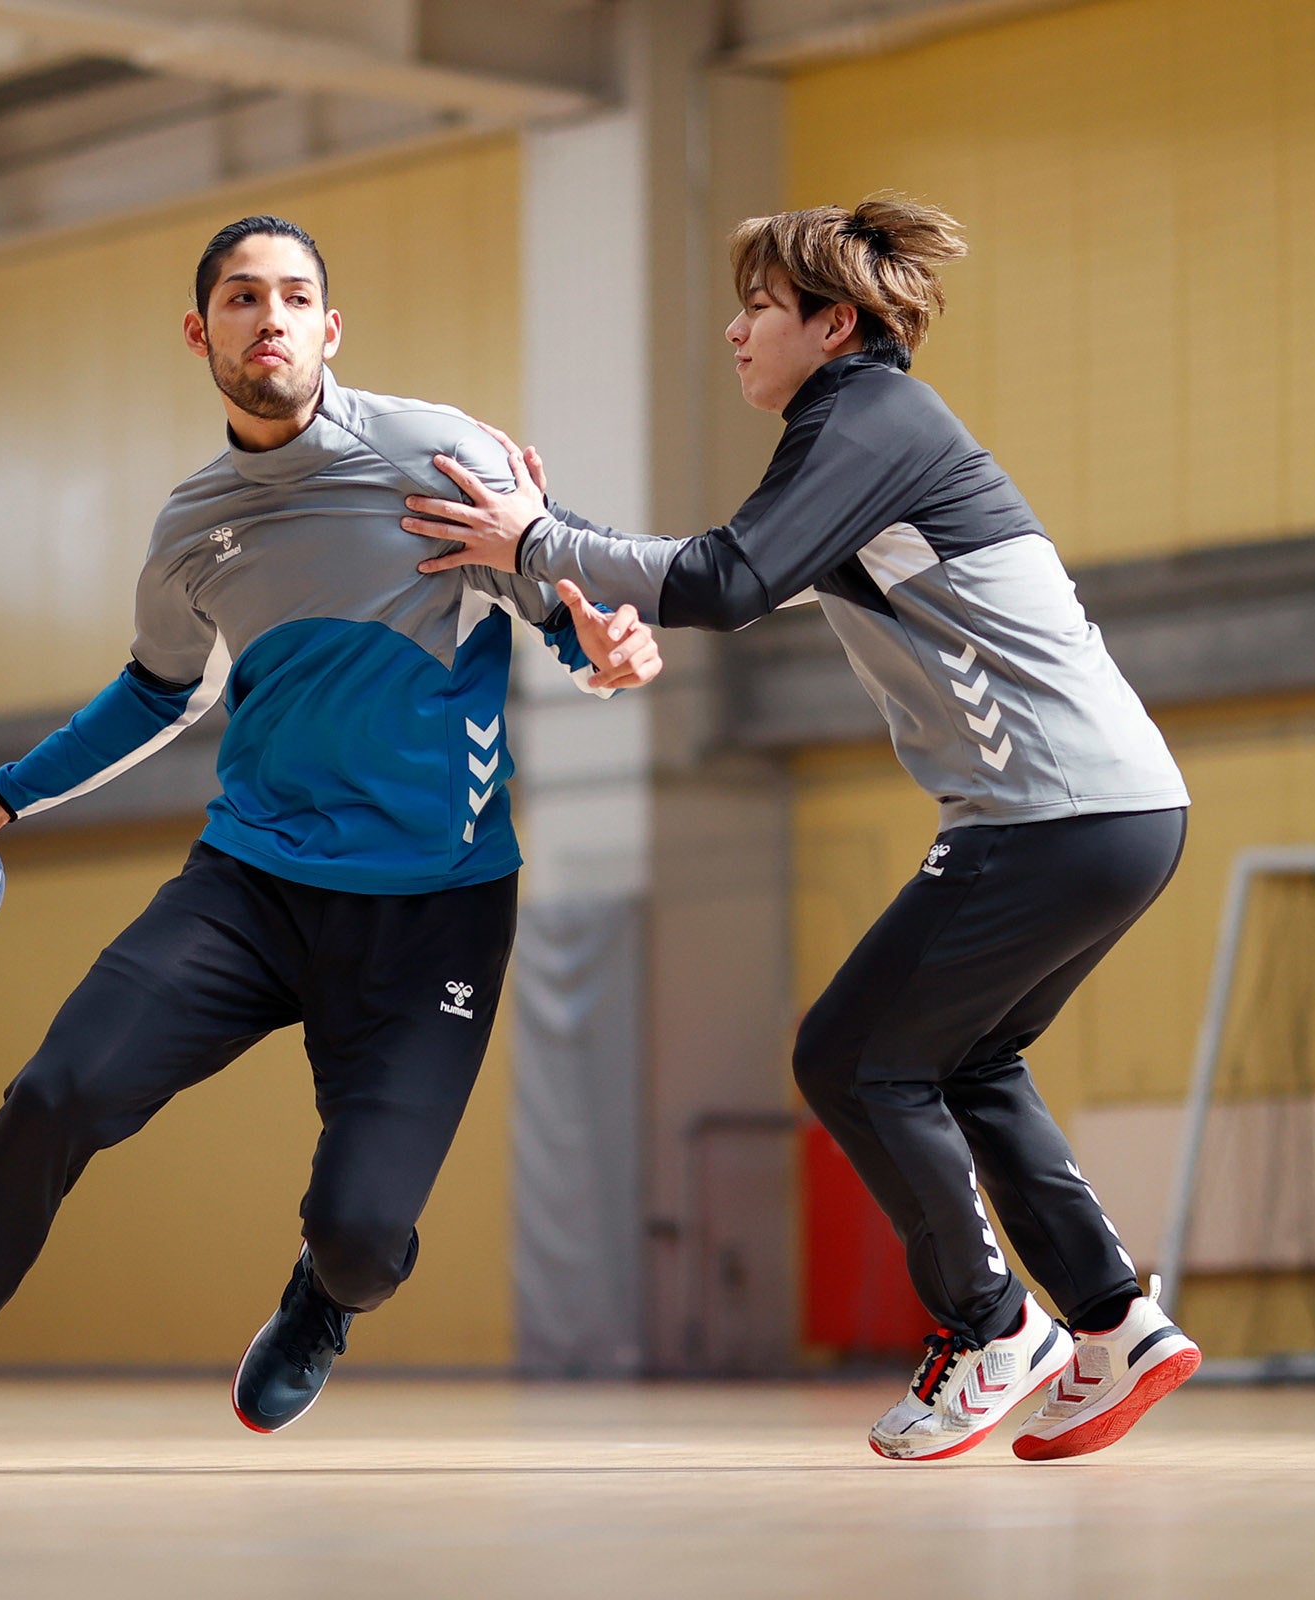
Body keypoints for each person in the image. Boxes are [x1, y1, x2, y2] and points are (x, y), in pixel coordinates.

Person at [0, 213, 662, 1475]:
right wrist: (4, 795)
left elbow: (561, 589)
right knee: (53, 1096)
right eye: (244, 297)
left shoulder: (434, 452)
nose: (272, 317)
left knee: (364, 1239)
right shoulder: (191, 526)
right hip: (250, 888)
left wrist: (606, 649)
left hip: (434, 907)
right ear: (199, 331)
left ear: (331, 327)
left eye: (296, 295)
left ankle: (325, 1295)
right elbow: (158, 690)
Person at [401, 195, 1197, 1464]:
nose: (734, 330)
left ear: (837, 326)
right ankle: (1114, 1322)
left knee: (853, 1056)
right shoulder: (867, 429)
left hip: (1051, 810)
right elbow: (726, 569)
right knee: (965, 1062)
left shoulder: (867, 417)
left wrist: (538, 537)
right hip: (1117, 810)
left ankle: (995, 1328)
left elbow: (726, 580)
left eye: (760, 306)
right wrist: (556, 549)